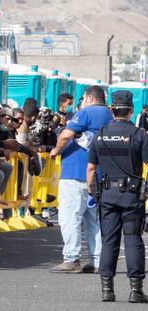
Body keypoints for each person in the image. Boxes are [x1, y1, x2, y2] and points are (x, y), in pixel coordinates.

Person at [87, 90, 148, 303]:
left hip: (108, 195)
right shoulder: (140, 134)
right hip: (132, 197)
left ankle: (107, 290)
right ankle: (136, 290)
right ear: (131, 111)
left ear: (112, 110)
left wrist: (92, 193)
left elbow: (91, 168)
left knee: (109, 241)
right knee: (133, 240)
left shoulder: (100, 134)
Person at [50, 85, 113, 273]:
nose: (82, 102)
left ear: (90, 98)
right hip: (96, 175)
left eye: (84, 98)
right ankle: (96, 260)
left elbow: (66, 135)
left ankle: (71, 258)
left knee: (70, 217)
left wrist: (56, 150)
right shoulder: (109, 115)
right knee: (93, 220)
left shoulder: (86, 112)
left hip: (75, 172)